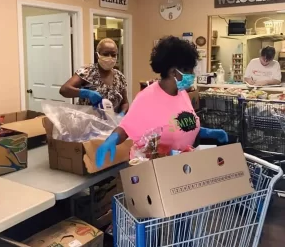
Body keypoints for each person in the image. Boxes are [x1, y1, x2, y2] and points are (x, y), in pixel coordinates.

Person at [95, 36, 228, 168]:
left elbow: (182, 124)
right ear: (173, 72)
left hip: (182, 166)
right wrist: (111, 140)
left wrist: (207, 132)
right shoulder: (147, 98)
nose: (192, 75)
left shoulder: (182, 94)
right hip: (157, 169)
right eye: (188, 71)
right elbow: (126, 127)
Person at [60, 38, 129, 115]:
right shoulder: (87, 71)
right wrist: (86, 93)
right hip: (87, 122)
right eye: (106, 54)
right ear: (97, 55)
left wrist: (122, 113)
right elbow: (64, 90)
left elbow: (125, 103)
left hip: (111, 123)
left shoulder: (120, 77)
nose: (110, 57)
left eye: (113, 55)